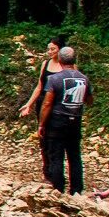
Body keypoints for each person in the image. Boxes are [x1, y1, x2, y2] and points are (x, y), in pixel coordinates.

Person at [35, 45, 90, 195]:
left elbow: (47, 103)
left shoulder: (54, 79)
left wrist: (41, 124)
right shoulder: (83, 78)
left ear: (59, 60)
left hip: (57, 121)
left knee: (57, 156)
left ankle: (58, 188)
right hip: (75, 121)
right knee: (74, 156)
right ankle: (76, 189)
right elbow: (89, 100)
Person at [19, 36, 68, 179]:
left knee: (56, 138)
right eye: (48, 49)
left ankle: (56, 170)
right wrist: (29, 104)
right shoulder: (45, 64)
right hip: (43, 104)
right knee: (43, 137)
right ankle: (47, 169)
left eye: (53, 49)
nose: (50, 52)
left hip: (58, 105)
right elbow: (39, 86)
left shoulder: (67, 66)